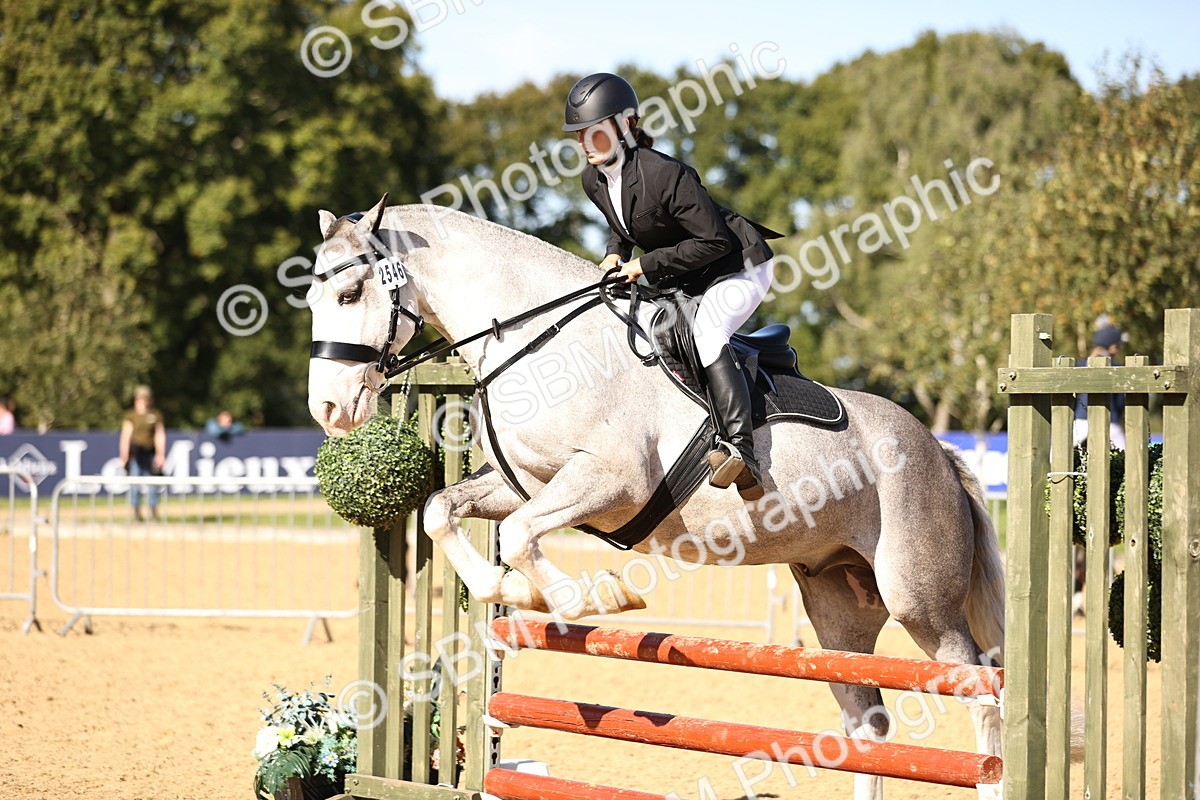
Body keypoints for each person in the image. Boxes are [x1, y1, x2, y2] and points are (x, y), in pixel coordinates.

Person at [563, 73, 783, 500]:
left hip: (738, 266)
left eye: (595, 132)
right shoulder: (593, 180)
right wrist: (615, 252)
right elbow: (626, 223)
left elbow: (716, 240)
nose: (585, 143)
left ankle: (742, 451)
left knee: (708, 330)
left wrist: (644, 266)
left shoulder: (666, 173)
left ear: (625, 126)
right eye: (580, 135)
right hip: (688, 272)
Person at [1073, 323, 1127, 450]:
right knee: (1126, 457)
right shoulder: (1116, 367)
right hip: (1110, 422)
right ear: (1113, 347)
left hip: (1081, 420)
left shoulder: (1080, 365)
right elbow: (1120, 401)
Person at [119, 385, 166, 521]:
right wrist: (124, 455)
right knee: (135, 483)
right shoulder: (131, 415)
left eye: (145, 398)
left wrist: (160, 454)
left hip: (150, 453)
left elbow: (159, 435)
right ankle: (136, 513)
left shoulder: (155, 415)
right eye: (140, 398)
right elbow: (126, 435)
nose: (143, 401)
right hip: (136, 454)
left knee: (152, 483)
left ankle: (153, 511)